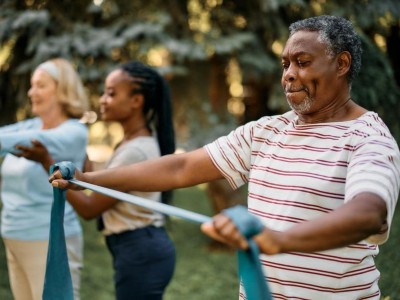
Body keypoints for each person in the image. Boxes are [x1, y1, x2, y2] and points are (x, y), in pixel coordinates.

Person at [49, 16, 400, 299]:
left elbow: (368, 214)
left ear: (341, 64)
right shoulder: (266, 131)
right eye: (285, 63)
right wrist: (89, 179)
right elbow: (181, 167)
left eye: (303, 62)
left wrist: (278, 240)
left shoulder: (367, 137)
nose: (289, 74)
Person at [24, 61, 177, 300]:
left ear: (137, 101)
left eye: (112, 93)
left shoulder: (135, 151)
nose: (103, 99)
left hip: (141, 251)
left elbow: (89, 208)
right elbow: (100, 184)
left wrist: (47, 162)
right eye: (105, 92)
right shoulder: (131, 142)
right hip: (139, 247)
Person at [0, 58, 89, 300]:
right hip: (14, 235)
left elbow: (5, 141)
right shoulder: (32, 125)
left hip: (49, 239)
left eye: (40, 85)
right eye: (31, 85)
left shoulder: (73, 132)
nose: (31, 92)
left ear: (62, 90)